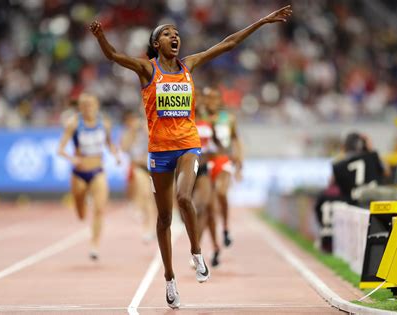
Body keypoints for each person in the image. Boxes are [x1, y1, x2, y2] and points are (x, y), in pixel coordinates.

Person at [89, 5, 292, 308]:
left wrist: (261, 22)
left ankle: (197, 253)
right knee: (165, 219)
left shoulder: (189, 65)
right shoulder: (148, 69)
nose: (175, 37)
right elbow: (114, 57)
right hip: (159, 151)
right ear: (156, 43)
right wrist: (101, 38)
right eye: (167, 34)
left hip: (188, 145)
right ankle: (170, 279)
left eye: (177, 33)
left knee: (185, 198)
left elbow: (228, 43)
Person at [57, 93, 119, 261]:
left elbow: (110, 144)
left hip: (98, 170)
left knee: (99, 209)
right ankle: (80, 203)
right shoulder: (74, 124)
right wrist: (72, 158)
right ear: (79, 107)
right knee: (81, 213)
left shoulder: (104, 124)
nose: (87, 108)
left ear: (97, 105)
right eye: (84, 105)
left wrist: (116, 155)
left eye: (90, 105)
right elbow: (60, 149)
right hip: (79, 173)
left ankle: (94, 244)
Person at [204, 87, 244, 248]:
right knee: (210, 205)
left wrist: (240, 162)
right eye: (208, 99)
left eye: (214, 98)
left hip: (224, 159)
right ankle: (214, 244)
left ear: (219, 101)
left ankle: (226, 227)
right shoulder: (201, 118)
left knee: (221, 191)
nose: (211, 102)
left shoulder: (228, 118)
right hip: (206, 162)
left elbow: (236, 140)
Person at [193, 88, 221, 267]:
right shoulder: (183, 118)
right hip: (187, 167)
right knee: (206, 211)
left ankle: (197, 251)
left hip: (205, 168)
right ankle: (216, 246)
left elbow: (222, 144)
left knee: (205, 207)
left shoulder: (213, 121)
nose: (202, 103)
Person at [121, 110, 157, 243]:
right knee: (146, 195)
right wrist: (132, 132)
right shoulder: (130, 132)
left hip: (153, 165)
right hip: (139, 167)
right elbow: (124, 148)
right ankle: (147, 229)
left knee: (155, 198)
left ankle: (155, 226)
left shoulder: (150, 126)